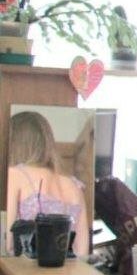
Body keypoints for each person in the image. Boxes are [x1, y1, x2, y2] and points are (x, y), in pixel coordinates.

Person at [6, 110, 89, 256]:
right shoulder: (75, 186)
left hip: (24, 268)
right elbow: (82, 253)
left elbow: (7, 244)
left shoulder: (15, 174)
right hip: (67, 269)